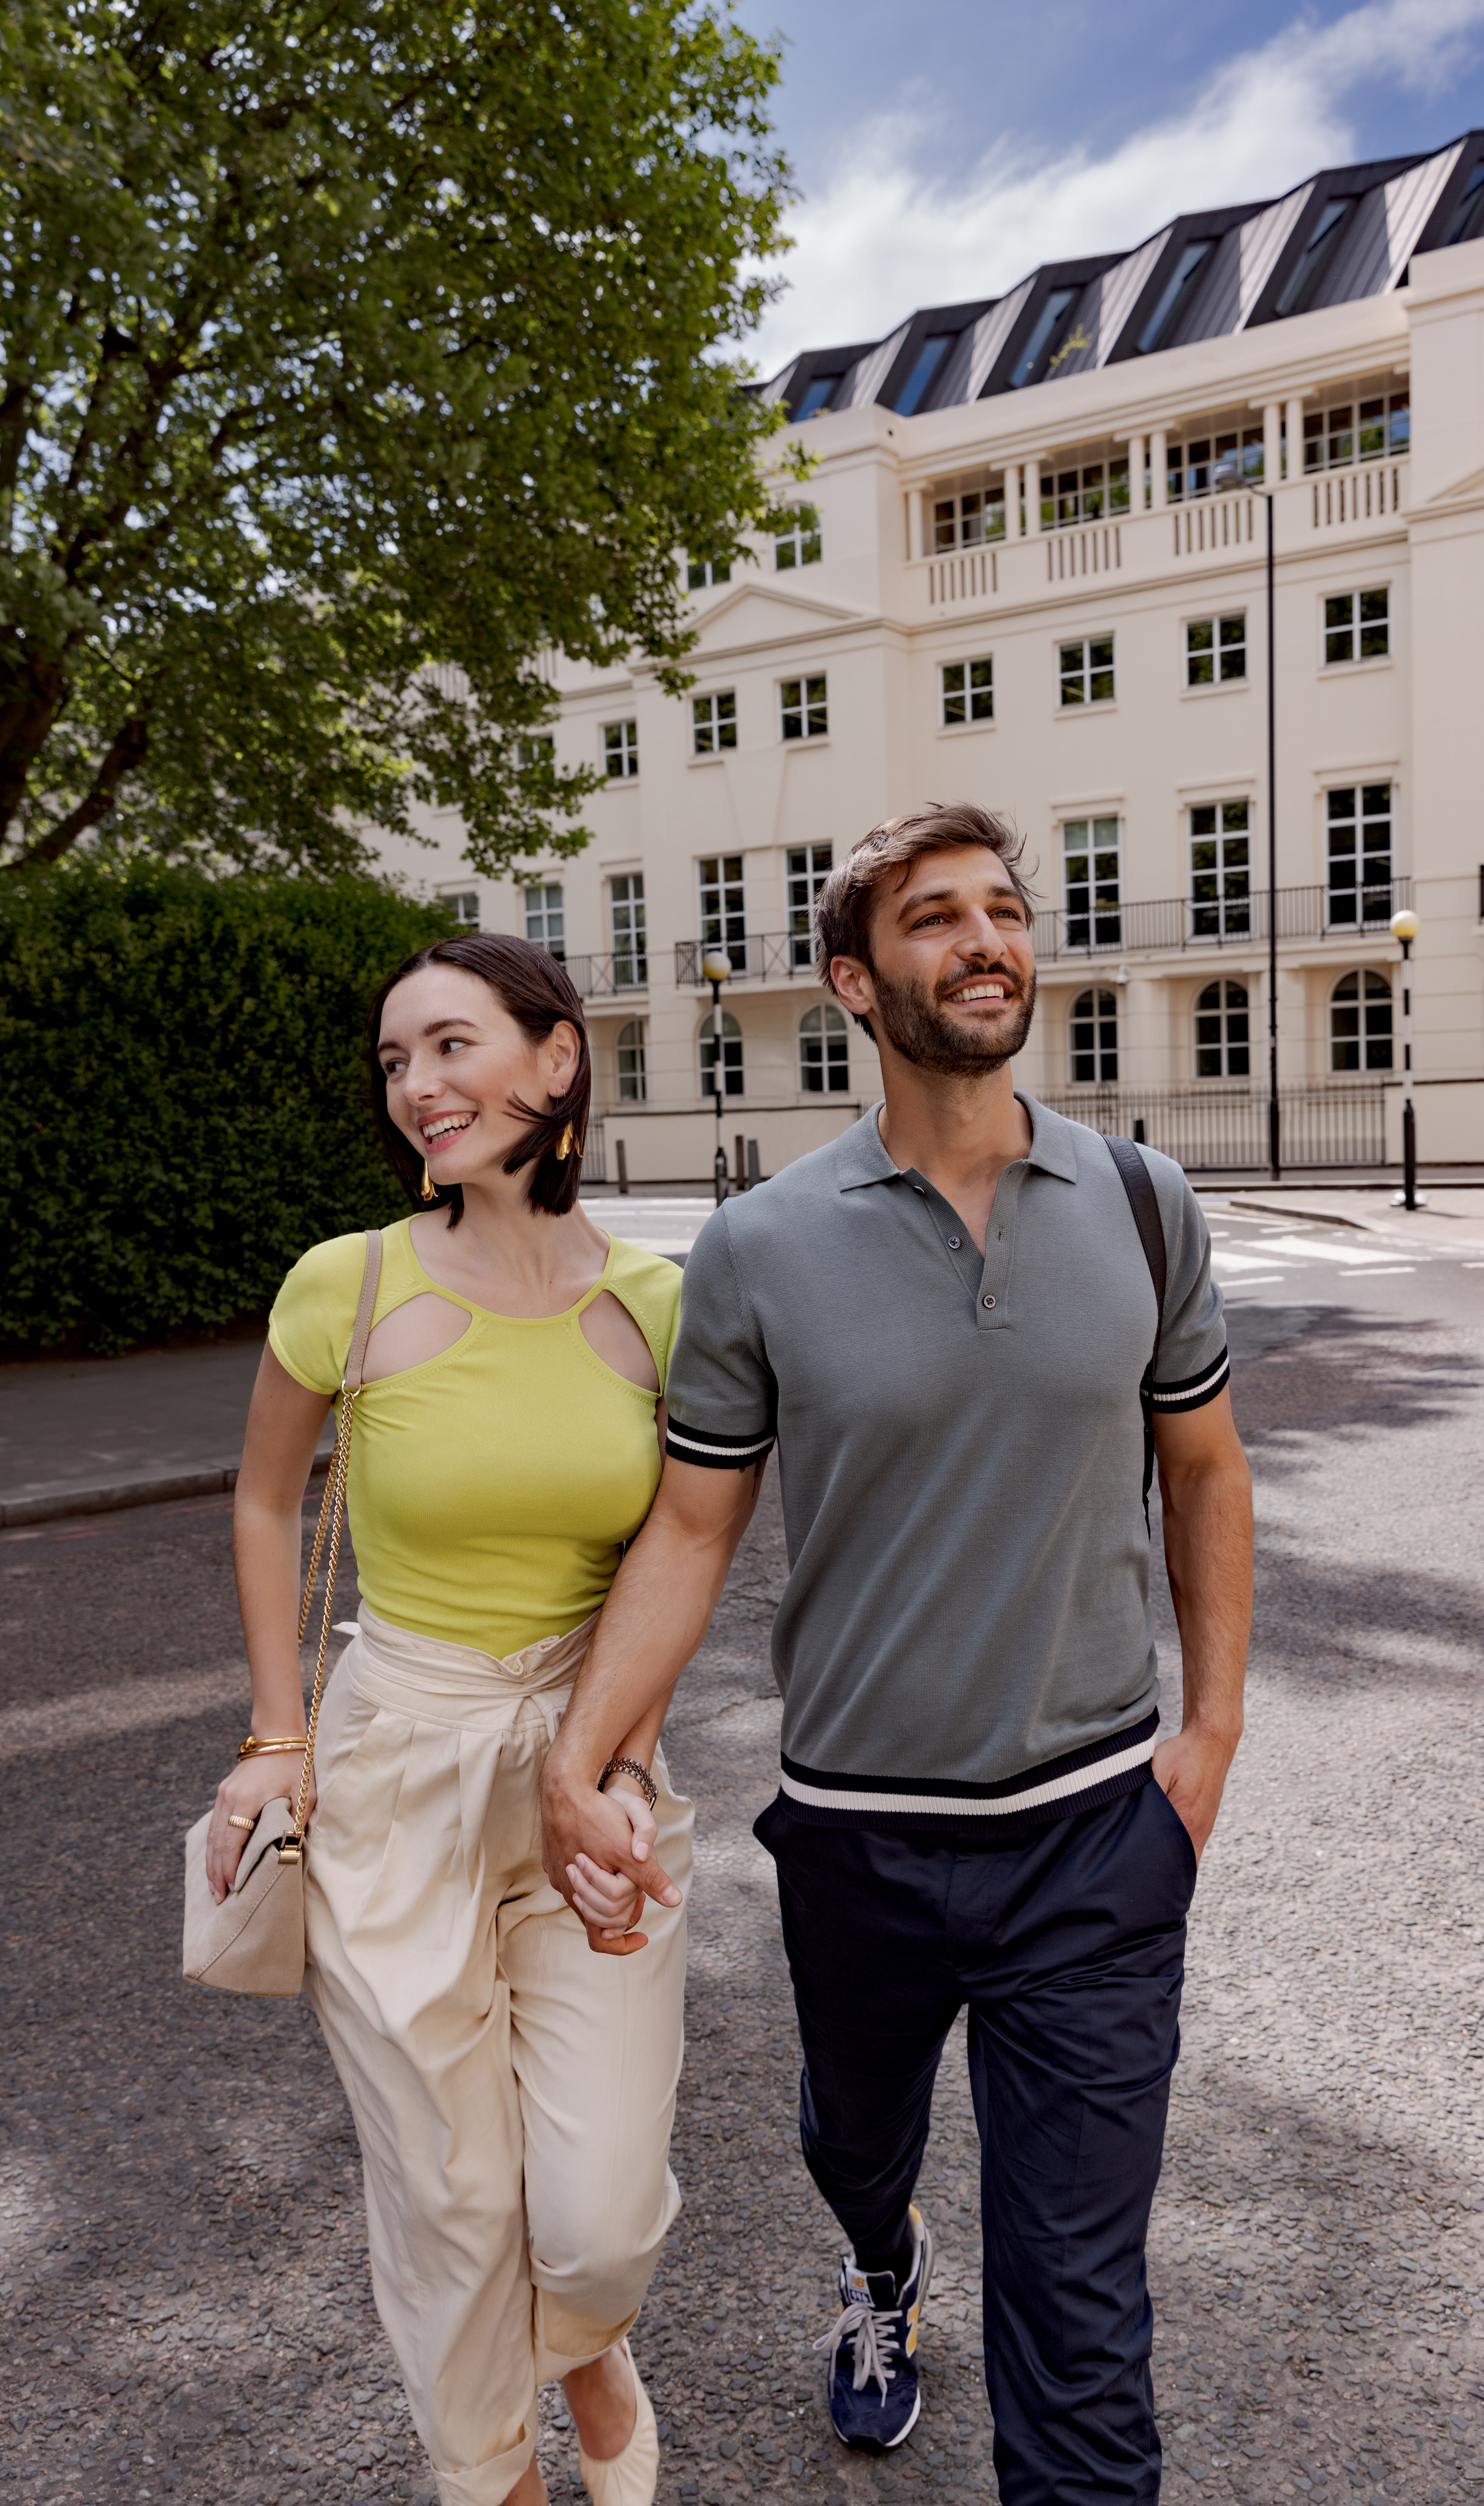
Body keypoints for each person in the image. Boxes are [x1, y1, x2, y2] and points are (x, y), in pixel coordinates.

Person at [540, 803, 1254, 2504]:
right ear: (857, 981)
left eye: (1006, 909)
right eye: (937, 919)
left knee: (1082, 2320)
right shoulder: (764, 1245)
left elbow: (1207, 1469)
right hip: (859, 1835)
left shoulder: (1146, 1205)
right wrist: (582, 1753)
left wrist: (1210, 1740)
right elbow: (696, 1530)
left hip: (1096, 1838)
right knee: (854, 2138)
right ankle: (878, 2264)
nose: (988, 940)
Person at [206, 934, 688, 2506]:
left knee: (598, 2210)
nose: (419, 1088)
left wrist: (609, 1755)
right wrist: (279, 1735)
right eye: (397, 1062)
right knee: (452, 2192)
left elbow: (684, 1556)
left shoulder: (660, 1305)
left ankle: (588, 2343)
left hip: (591, 1757)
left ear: (558, 1061)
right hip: (394, 1755)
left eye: (454, 1046)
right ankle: (493, 2475)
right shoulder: (347, 1286)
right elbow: (270, 1497)